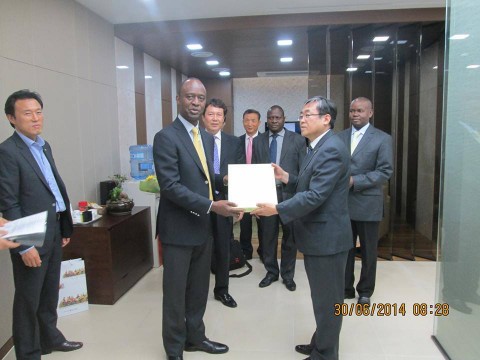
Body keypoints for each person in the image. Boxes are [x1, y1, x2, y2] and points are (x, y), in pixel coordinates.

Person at [252, 96, 352, 360]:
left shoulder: (331, 148)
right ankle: (320, 342)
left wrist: (277, 208)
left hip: (328, 239)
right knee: (322, 300)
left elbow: (316, 196)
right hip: (320, 237)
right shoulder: (316, 146)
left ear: (326, 119)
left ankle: (326, 354)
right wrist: (286, 177)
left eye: (308, 115)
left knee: (328, 303)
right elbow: (308, 185)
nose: (302, 120)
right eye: (301, 114)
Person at [153, 78, 242, 360]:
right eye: (190, 97)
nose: (195, 102)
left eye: (200, 98)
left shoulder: (203, 136)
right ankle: (174, 349)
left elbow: (203, 176)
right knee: (176, 294)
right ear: (179, 99)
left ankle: (196, 337)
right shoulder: (166, 137)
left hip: (202, 228)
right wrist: (213, 206)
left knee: (199, 290)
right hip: (178, 229)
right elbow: (171, 186)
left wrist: (227, 181)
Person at [0, 90, 83, 359]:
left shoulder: (43, 145)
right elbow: (9, 203)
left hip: (54, 228)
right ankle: (28, 353)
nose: (36, 118)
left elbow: (52, 188)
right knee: (28, 300)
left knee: (49, 294)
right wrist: (24, 247)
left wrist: (64, 226)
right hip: (31, 235)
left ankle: (50, 339)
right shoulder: (8, 152)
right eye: (27, 113)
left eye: (38, 111)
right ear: (11, 118)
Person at [338, 97, 393, 305]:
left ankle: (365, 292)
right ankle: (346, 288)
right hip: (343, 203)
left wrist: (355, 180)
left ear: (370, 113)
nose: (355, 114)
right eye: (352, 110)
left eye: (360, 110)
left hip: (368, 203)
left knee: (369, 251)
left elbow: (385, 171)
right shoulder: (340, 137)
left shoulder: (382, 138)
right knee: (345, 248)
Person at [252, 105, 305, 291]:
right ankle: (271, 272)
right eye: (271, 118)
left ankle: (288, 275)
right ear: (267, 119)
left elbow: (303, 172)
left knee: (290, 238)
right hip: (266, 196)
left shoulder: (298, 140)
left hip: (289, 196)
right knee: (267, 237)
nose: (274, 121)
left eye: (278, 117)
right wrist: (254, 202)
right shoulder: (258, 141)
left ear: (284, 118)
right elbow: (254, 171)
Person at [202, 98, 242, 308]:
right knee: (200, 248)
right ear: (203, 117)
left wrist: (239, 205)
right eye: (211, 114)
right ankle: (197, 291)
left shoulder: (234, 142)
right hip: (200, 203)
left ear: (224, 120)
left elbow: (239, 172)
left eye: (219, 115)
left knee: (223, 247)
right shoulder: (195, 141)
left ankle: (222, 290)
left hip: (225, 204)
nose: (215, 118)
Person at [238, 109, 263, 260]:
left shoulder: (264, 140)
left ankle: (263, 251)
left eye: (253, 120)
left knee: (262, 221)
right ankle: (245, 252)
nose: (250, 123)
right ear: (243, 122)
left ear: (259, 123)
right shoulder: (237, 141)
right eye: (247, 120)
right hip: (243, 187)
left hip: (260, 187)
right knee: (244, 222)